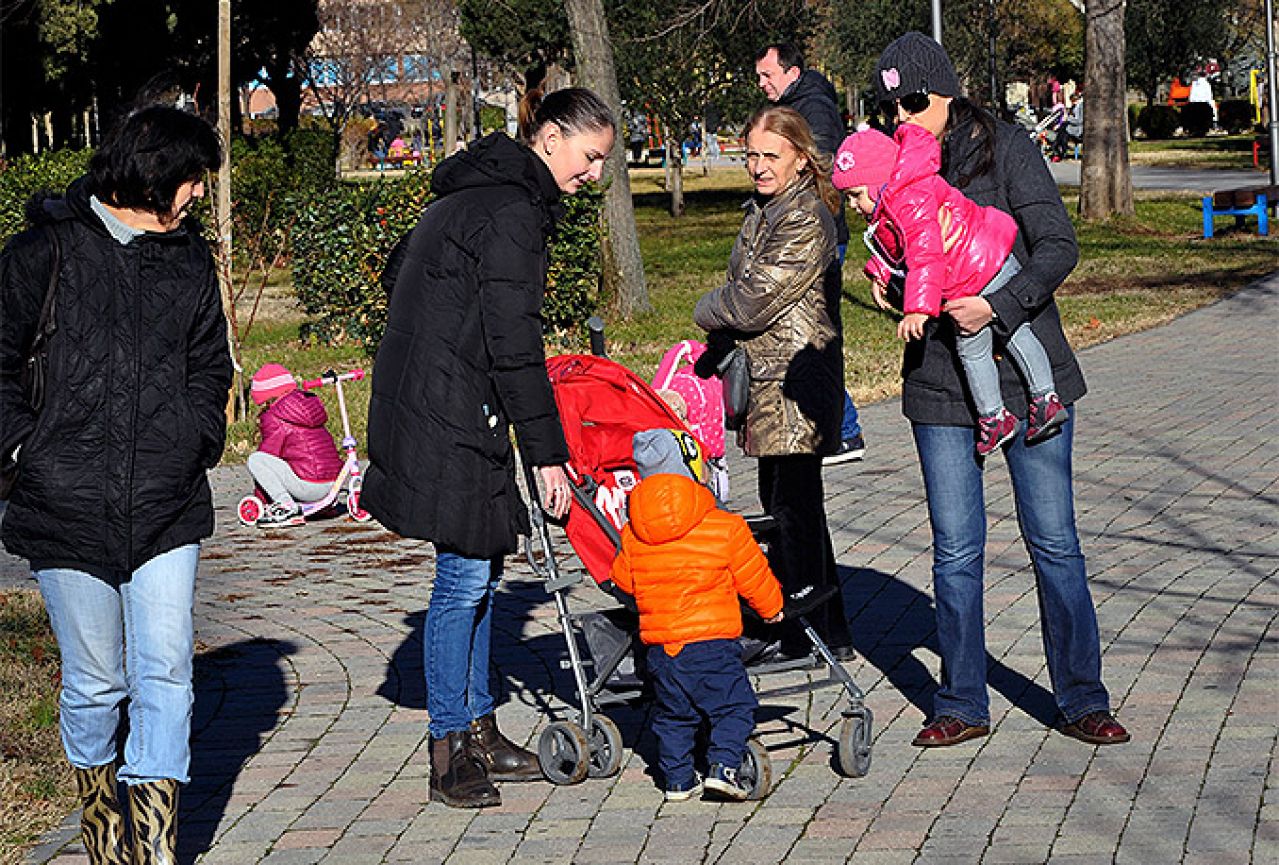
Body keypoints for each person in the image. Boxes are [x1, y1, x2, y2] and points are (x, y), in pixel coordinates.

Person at [872, 32, 1129, 748]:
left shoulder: (1006, 147)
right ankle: (959, 700)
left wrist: (1000, 304)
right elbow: (891, 258)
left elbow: (1057, 245)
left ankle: (1080, 697)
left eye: (912, 100)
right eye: (887, 103)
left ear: (946, 91)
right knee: (954, 550)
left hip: (1024, 375)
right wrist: (897, 288)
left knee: (1054, 542)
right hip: (938, 385)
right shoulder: (888, 167)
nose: (900, 115)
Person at [362, 86, 616, 808]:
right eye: (590, 157)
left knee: (480, 568)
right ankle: (450, 751)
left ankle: (478, 728)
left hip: (444, 399)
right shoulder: (509, 212)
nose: (593, 173)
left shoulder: (474, 195)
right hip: (447, 410)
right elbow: (514, 344)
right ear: (548, 138)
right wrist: (546, 453)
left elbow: (401, 279)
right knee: (465, 579)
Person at [0, 105, 232, 863]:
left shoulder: (191, 262)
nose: (199, 193)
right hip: (62, 501)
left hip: (167, 503)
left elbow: (210, 368)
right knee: (98, 682)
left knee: (165, 668)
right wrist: (22, 452)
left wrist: (194, 439)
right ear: (156, 172)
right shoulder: (43, 253)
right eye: (193, 178)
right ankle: (106, 833)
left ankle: (157, 848)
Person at [693, 105, 853, 663]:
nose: (759, 166)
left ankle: (802, 627)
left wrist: (705, 308)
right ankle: (827, 631)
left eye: (771, 155)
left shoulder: (803, 215)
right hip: (768, 380)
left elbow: (752, 300)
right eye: (752, 155)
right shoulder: (765, 209)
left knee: (794, 510)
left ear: (800, 157)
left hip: (794, 383)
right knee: (791, 505)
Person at [832, 127, 1068, 456]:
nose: (854, 205)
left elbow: (925, 255)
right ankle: (1006, 412)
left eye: (856, 194)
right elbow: (897, 248)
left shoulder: (910, 201)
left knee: (1009, 333)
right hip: (970, 272)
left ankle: (1036, 402)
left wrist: (918, 309)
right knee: (979, 346)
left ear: (878, 183)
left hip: (986, 263)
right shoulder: (898, 200)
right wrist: (880, 270)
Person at [610, 429, 783, 802]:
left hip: (662, 649)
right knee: (735, 707)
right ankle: (723, 767)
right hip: (712, 644)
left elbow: (622, 581)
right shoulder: (725, 527)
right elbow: (755, 578)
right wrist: (773, 610)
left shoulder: (633, 533)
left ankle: (677, 780)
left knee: (674, 714)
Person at [755, 42, 866, 465]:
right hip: (800, 233)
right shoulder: (797, 104)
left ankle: (844, 431)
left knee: (814, 336)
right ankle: (837, 430)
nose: (763, 84)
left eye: (768, 75)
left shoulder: (813, 109)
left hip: (816, 236)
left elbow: (818, 168)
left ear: (792, 72)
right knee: (804, 335)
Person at [245, 363, 344, 527]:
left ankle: (285, 505)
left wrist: (261, 499)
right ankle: (323, 507)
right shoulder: (308, 406)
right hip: (333, 485)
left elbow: (268, 456)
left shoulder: (274, 417)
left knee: (256, 460)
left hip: (309, 487)